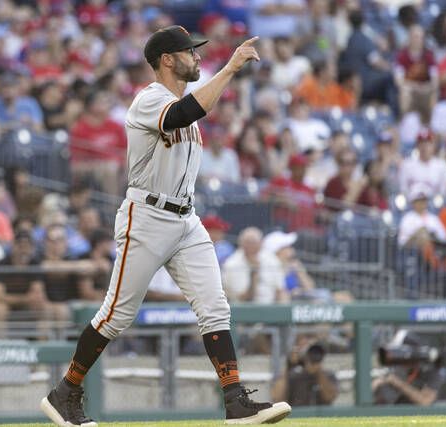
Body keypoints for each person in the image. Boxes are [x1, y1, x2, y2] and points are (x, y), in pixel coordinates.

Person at [40, 26, 291, 426]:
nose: (196, 57)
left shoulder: (181, 100)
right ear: (168, 59)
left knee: (215, 307)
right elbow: (184, 113)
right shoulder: (149, 98)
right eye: (189, 52)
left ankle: (235, 402)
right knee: (115, 316)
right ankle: (64, 392)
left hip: (185, 219)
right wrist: (230, 68)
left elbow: (190, 110)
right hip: (148, 215)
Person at [223, 227, 290, 304]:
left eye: (254, 242)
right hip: (243, 311)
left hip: (271, 308)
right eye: (248, 242)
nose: (251, 246)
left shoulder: (271, 260)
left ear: (261, 243)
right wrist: (254, 274)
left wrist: (283, 310)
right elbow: (244, 299)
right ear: (241, 244)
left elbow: (281, 290)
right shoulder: (231, 264)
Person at [270, 341, 338, 406]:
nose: (313, 356)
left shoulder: (328, 375)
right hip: (296, 415)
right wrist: (289, 366)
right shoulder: (292, 376)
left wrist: (318, 372)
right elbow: (277, 399)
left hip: (322, 415)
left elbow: (329, 398)